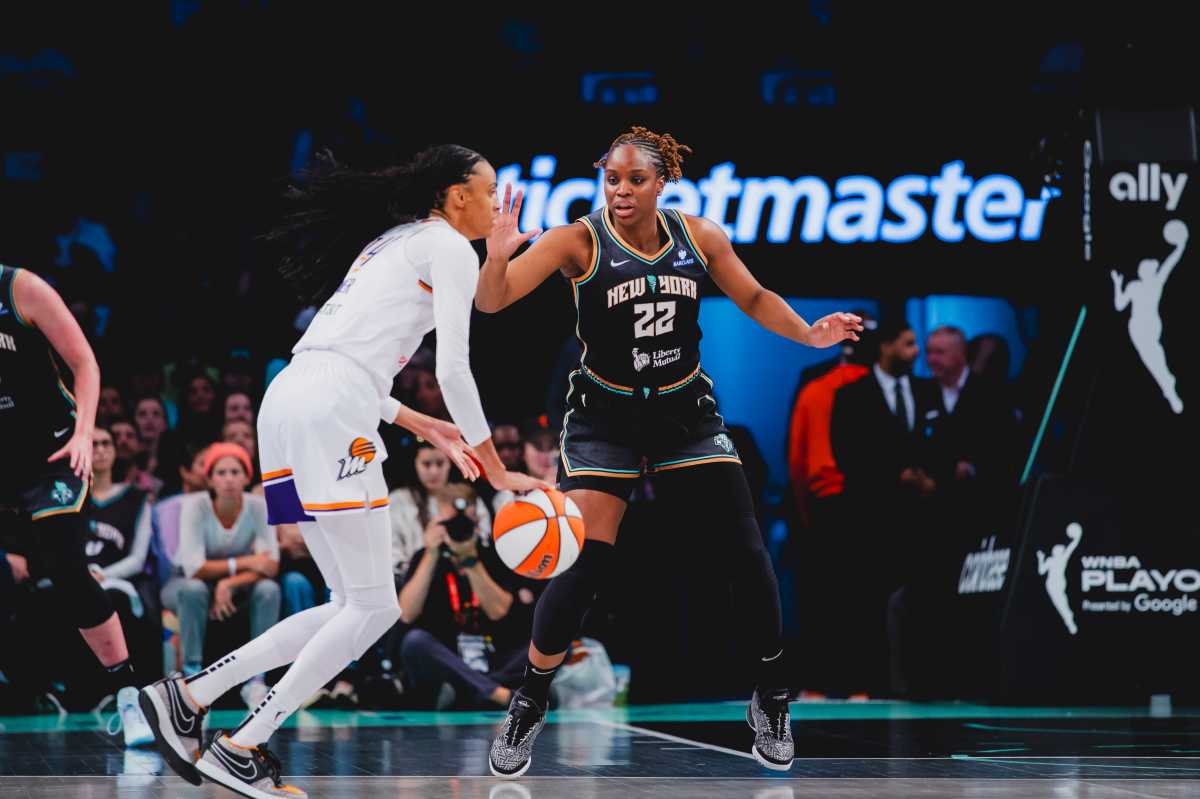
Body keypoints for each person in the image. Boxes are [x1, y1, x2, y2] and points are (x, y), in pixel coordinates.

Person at [140, 145, 548, 798]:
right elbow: (452, 368)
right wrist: (496, 470)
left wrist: (420, 423)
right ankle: (242, 744)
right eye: (489, 188)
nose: (498, 201)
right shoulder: (444, 246)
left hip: (291, 399)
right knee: (374, 607)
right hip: (332, 410)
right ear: (453, 194)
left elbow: (349, 356)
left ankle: (188, 694)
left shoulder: (397, 239)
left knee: (349, 605)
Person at [474, 127, 862, 775]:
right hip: (605, 416)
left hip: (684, 410)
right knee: (583, 564)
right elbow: (494, 300)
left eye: (634, 180)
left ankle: (770, 697)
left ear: (661, 183)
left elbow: (756, 296)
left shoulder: (699, 236)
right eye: (612, 180)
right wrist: (495, 255)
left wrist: (807, 333)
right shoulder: (577, 240)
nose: (621, 191)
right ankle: (530, 698)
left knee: (745, 549)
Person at [0, 264, 151, 745]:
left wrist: (85, 432)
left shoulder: (20, 288)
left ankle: (130, 697)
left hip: (55, 452)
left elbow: (85, 363)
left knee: (67, 570)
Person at [398, 483, 525, 709]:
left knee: (552, 643)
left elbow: (498, 612)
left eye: (464, 522)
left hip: (492, 658)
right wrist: (430, 554)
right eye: (450, 524)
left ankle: (470, 692)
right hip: (447, 657)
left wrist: (471, 560)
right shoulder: (424, 558)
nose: (457, 529)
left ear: (476, 521)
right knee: (414, 642)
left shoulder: (492, 555)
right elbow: (406, 613)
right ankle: (495, 693)